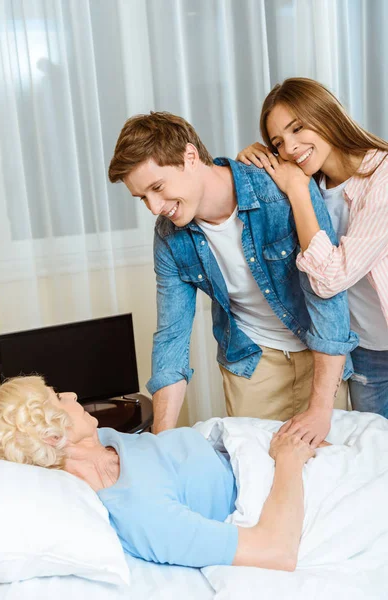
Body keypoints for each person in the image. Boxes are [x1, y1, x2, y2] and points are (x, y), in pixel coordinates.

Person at [108, 112, 357, 447]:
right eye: (143, 197)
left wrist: (320, 408)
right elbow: (171, 338)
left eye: (157, 187)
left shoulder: (281, 190)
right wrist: (160, 444)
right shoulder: (169, 237)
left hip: (319, 351)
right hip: (251, 363)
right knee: (257, 476)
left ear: (190, 157)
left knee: (325, 472)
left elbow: (328, 299)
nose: (154, 207)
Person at [0, 375, 321, 570]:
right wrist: (289, 459)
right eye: (59, 398)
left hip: (244, 446)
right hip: (273, 479)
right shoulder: (139, 511)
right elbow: (276, 551)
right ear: (52, 435)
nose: (72, 395)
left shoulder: (103, 442)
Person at [237, 77, 388, 418]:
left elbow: (330, 278)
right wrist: (247, 168)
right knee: (376, 459)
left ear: (327, 115)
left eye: (297, 128)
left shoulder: (382, 177)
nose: (289, 148)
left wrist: (298, 191)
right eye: (277, 142)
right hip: (363, 350)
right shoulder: (312, 182)